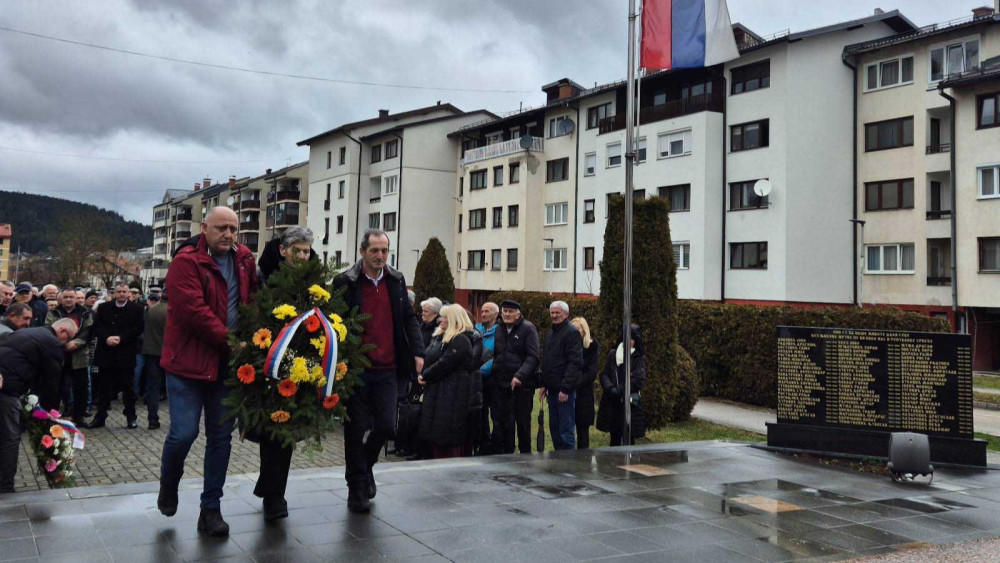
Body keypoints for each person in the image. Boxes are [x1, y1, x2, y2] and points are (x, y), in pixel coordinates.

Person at [159, 206, 257, 536]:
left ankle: (210, 508)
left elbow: (252, 300)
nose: (228, 234)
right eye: (221, 228)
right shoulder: (186, 261)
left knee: (220, 438)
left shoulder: (244, 259)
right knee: (183, 433)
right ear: (204, 228)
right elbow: (194, 313)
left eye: (233, 228)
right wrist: (232, 342)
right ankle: (169, 482)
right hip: (187, 363)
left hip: (227, 366)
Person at [332, 229, 424, 514]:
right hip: (355, 369)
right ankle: (356, 488)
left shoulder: (396, 281)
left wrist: (418, 351)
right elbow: (334, 322)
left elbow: (409, 319)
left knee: (385, 426)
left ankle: (365, 468)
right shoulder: (345, 281)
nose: (380, 256)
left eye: (384, 250)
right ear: (362, 252)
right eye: (374, 250)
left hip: (388, 369)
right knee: (355, 429)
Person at [252, 226, 316, 521]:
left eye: (306, 251)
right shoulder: (264, 278)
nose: (302, 256)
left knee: (286, 432)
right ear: (282, 250)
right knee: (272, 431)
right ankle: (273, 493)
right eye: (297, 251)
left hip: (300, 364)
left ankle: (273, 490)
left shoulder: (312, 280)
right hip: (267, 361)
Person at [0, 319, 79, 493]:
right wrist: (49, 414)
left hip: (4, 380)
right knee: (10, 438)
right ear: (62, 330)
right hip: (8, 390)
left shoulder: (27, 332)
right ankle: (5, 487)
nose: (67, 343)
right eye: (68, 338)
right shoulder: (52, 343)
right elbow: (52, 382)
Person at [417, 304, 480, 459]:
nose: (441, 320)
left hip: (452, 393)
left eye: (445, 317)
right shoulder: (440, 337)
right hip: (438, 391)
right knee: (435, 432)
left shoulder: (461, 340)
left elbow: (445, 363)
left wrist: (425, 376)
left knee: (446, 433)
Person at [90, 283, 144, 430]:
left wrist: (121, 338)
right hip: (106, 352)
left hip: (125, 353)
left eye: (124, 292)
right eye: (119, 291)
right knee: (104, 388)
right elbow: (97, 326)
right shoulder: (104, 307)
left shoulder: (137, 309)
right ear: (114, 293)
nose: (121, 294)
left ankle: (131, 417)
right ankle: (100, 417)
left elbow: (138, 328)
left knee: (128, 387)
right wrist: (107, 337)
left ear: (128, 293)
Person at [491, 299, 539, 454]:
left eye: (510, 311)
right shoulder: (498, 329)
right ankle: (508, 454)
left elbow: (533, 357)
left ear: (518, 314)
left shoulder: (528, 329)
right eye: (504, 311)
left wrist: (519, 376)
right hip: (502, 385)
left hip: (522, 386)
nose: (507, 314)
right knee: (505, 423)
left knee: (523, 423)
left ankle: (525, 455)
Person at [45, 288, 94, 426]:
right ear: (61, 298)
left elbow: (88, 331)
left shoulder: (85, 313)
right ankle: (52, 417)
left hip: (79, 355)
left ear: (76, 298)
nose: (68, 299)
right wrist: (62, 344)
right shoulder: (53, 312)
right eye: (65, 297)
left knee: (81, 388)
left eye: (71, 297)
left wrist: (76, 343)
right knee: (55, 388)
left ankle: (79, 417)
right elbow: (49, 329)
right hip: (59, 355)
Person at [539, 301, 583, 451]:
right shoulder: (551, 333)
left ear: (566, 314)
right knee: (555, 429)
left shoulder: (572, 333)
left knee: (565, 431)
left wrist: (565, 389)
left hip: (564, 392)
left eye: (557, 313)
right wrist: (544, 384)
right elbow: (548, 360)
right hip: (552, 390)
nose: (554, 315)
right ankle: (558, 460)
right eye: (552, 313)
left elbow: (575, 363)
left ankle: (568, 461)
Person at [597, 324, 647, 446]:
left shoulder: (638, 357)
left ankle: (629, 459)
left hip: (629, 403)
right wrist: (610, 388)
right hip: (613, 403)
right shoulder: (613, 354)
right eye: (626, 337)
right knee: (614, 437)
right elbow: (604, 374)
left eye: (632, 338)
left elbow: (638, 380)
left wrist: (619, 390)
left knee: (629, 439)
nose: (629, 341)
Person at [570, 317, 600, 450]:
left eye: (577, 329)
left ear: (584, 331)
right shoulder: (567, 346)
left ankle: (583, 458)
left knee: (582, 430)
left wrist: (574, 383)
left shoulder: (592, 347)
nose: (574, 331)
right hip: (567, 392)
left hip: (583, 393)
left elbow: (591, 372)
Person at [474, 302, 499, 455]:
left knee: (495, 414)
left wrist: (480, 371)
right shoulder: (476, 329)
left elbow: (498, 357)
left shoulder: (500, 332)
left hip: (492, 379)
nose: (483, 314)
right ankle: (483, 443)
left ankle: (495, 445)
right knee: (480, 412)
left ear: (495, 314)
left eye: (487, 311)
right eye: (482, 311)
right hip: (477, 379)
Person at [141, 291, 167, 430]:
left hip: (151, 352)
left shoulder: (151, 310)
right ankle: (176, 420)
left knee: (153, 388)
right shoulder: (174, 311)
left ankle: (152, 419)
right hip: (170, 354)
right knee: (174, 388)